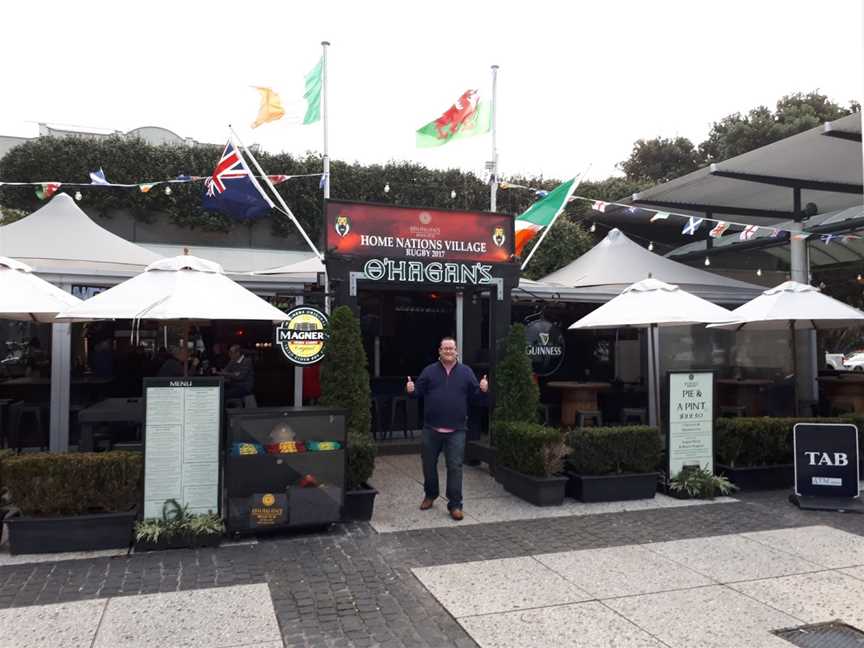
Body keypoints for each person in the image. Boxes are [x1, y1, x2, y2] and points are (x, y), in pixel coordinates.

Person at [406, 336, 488, 521]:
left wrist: (483, 390)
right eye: (445, 348)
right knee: (428, 465)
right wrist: (410, 390)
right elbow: (417, 393)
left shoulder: (466, 372)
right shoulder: (429, 372)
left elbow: (477, 399)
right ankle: (430, 495)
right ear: (440, 351)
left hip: (457, 430)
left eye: (452, 348)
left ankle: (455, 505)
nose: (449, 351)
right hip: (431, 428)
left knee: (455, 467)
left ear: (456, 351)